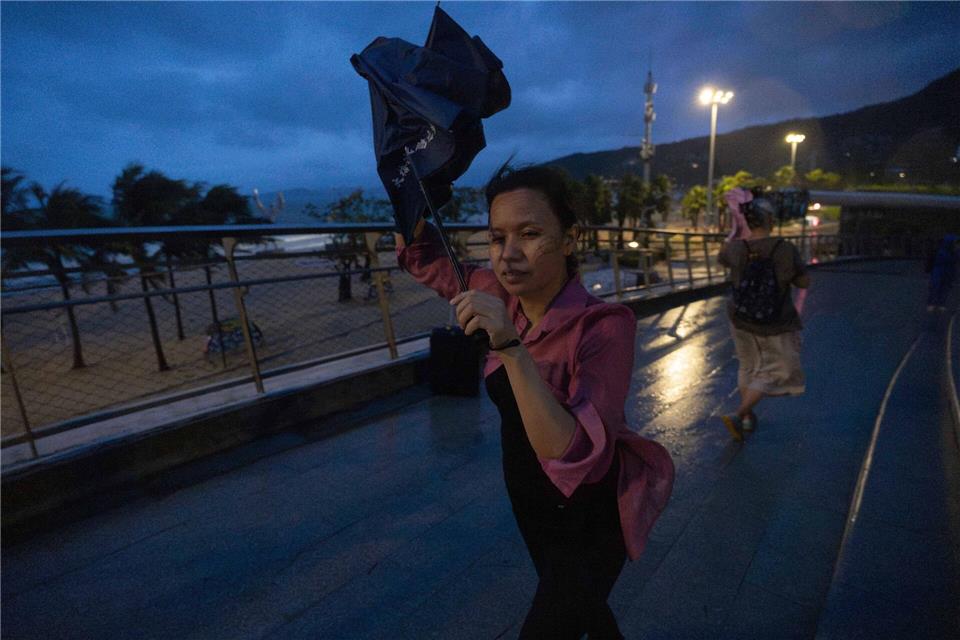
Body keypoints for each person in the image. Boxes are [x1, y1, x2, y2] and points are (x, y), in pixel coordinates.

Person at [397, 164, 674, 639]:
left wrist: (510, 348)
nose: (509, 255)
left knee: (552, 624)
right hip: (529, 498)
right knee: (586, 613)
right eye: (497, 237)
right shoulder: (492, 292)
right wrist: (412, 184)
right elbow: (422, 257)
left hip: (589, 510)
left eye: (529, 234)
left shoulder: (604, 325)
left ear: (569, 239)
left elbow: (568, 449)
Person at [717, 194, 810, 441]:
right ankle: (740, 414)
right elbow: (804, 281)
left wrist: (736, 231)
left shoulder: (737, 248)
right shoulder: (784, 249)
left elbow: (721, 257)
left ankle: (747, 421)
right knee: (779, 369)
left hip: (740, 317)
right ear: (769, 219)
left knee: (748, 365)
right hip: (775, 321)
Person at [926, 233, 958, 311]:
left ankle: (941, 303)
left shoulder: (955, 251)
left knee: (945, 287)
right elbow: (931, 259)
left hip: (948, 270)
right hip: (938, 269)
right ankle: (931, 303)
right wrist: (928, 270)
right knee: (935, 285)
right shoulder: (939, 250)